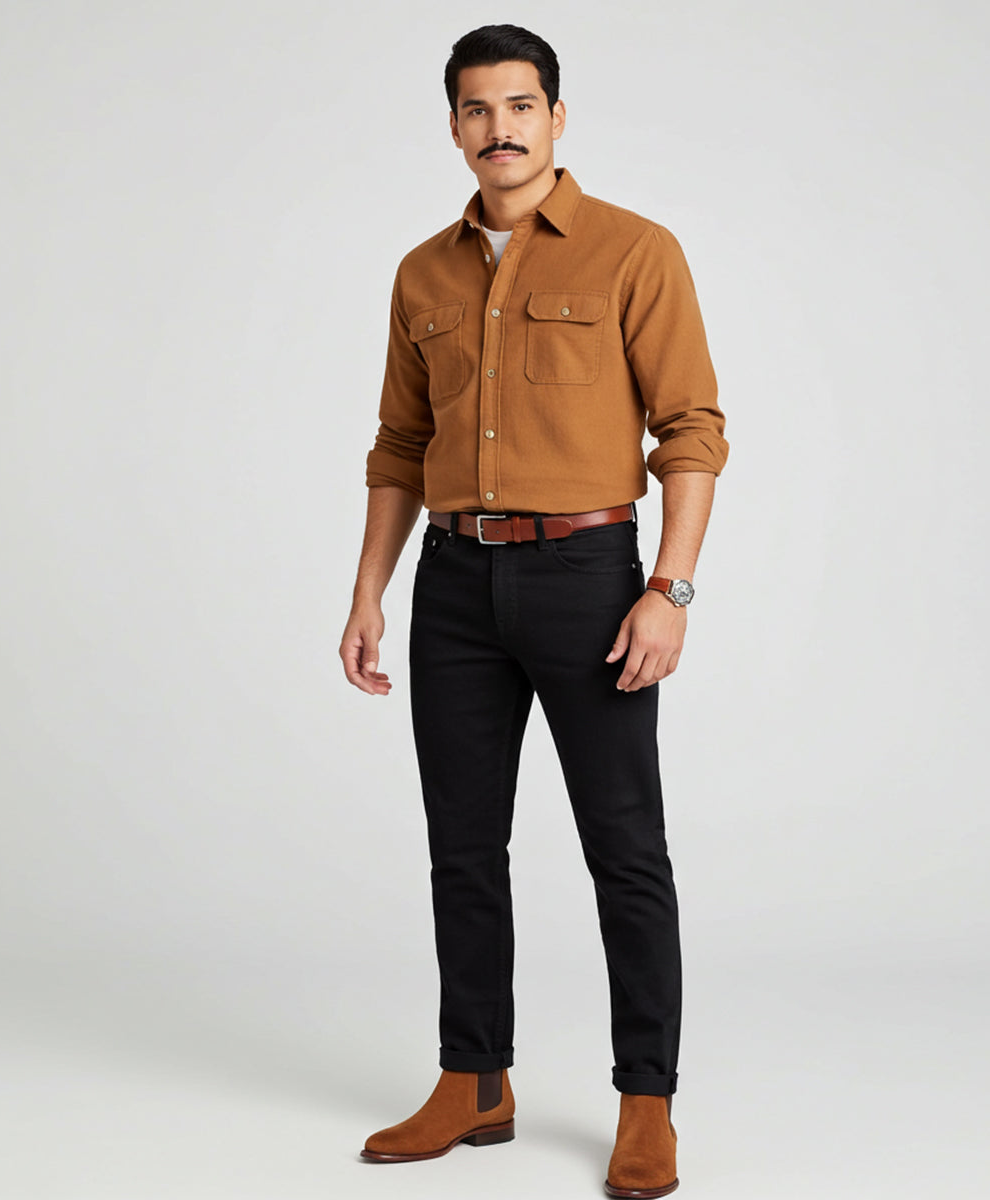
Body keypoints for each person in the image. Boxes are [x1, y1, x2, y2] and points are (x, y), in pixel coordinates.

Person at [339, 23, 728, 1198]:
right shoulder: (423, 274)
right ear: (454, 126)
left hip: (588, 579)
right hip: (453, 586)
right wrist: (369, 591)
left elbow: (691, 432)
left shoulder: (635, 252)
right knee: (462, 848)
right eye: (476, 109)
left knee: (625, 847)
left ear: (557, 117)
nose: (498, 128)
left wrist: (669, 590)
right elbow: (400, 444)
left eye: (519, 106)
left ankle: (646, 1101)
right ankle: (475, 1082)